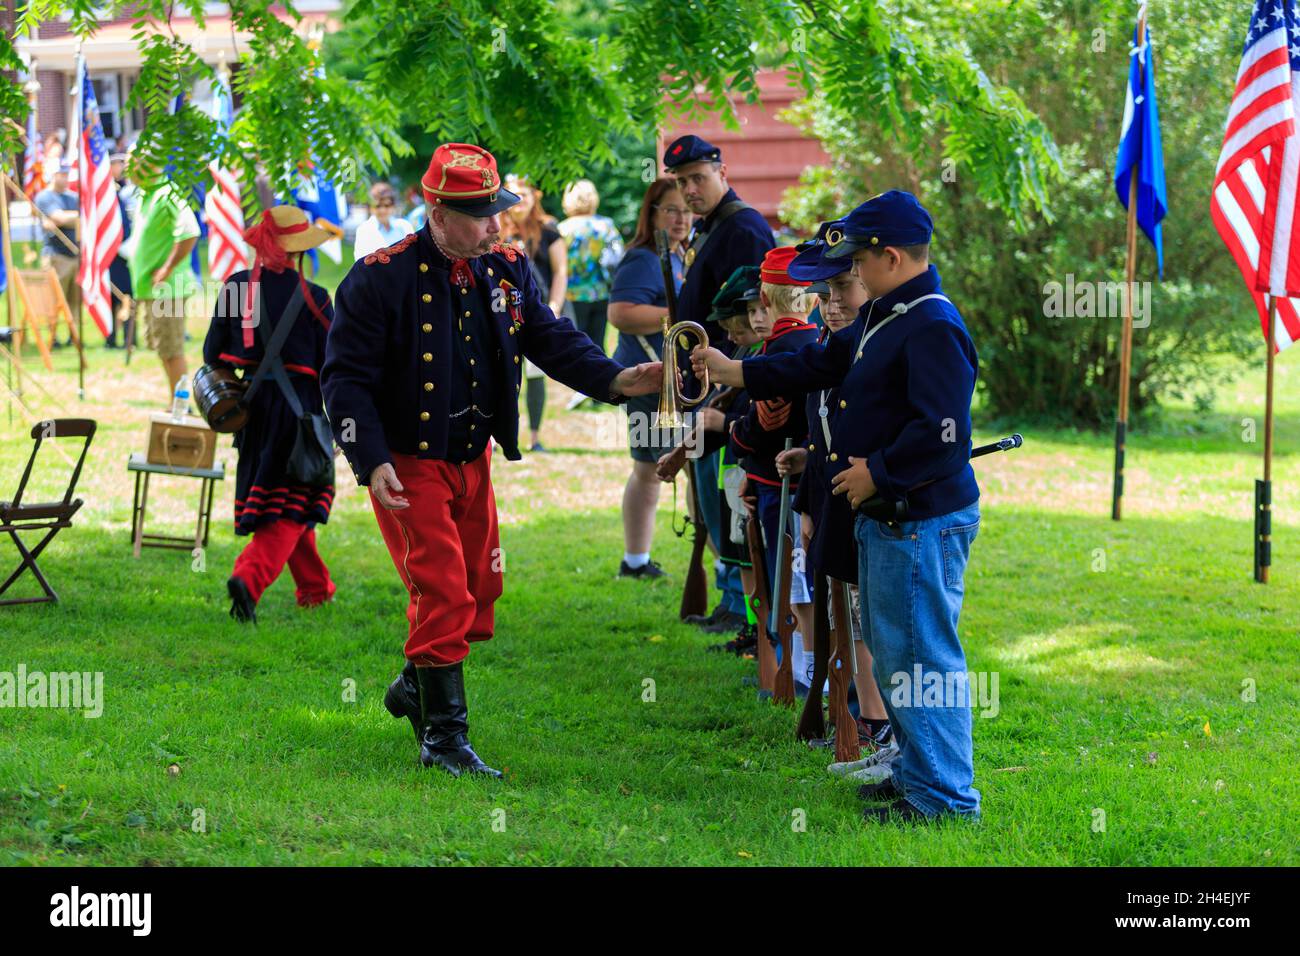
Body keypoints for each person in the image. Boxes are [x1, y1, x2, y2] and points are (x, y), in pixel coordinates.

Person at [320, 142, 662, 778]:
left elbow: (550, 339)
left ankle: (411, 687)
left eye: (496, 210)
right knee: (445, 589)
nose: (495, 225)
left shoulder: (506, 266)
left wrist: (616, 381)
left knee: (479, 592)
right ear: (437, 212)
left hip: (472, 456)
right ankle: (444, 741)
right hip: (406, 461)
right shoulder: (377, 277)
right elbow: (343, 380)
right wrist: (368, 459)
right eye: (479, 214)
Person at [692, 190, 982, 825]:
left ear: (890, 256)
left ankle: (945, 799)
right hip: (890, 517)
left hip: (917, 516)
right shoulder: (886, 313)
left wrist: (874, 472)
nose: (849, 273)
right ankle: (915, 771)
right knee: (894, 643)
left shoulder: (931, 323)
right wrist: (737, 373)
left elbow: (944, 433)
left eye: (858, 259)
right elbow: (822, 361)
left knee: (922, 655)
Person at [778, 220, 894, 756]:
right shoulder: (829, 346)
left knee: (863, 623)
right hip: (828, 502)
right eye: (822, 296)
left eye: (842, 291)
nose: (831, 305)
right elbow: (819, 433)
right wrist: (806, 494)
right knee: (837, 618)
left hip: (868, 504)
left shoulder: (869, 351)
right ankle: (851, 711)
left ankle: (873, 721)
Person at [202, 207, 339, 622]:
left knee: (288, 498)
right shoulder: (316, 297)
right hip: (300, 413)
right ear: (298, 250)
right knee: (294, 503)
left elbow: (212, 354)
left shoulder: (235, 287)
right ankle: (249, 577)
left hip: (252, 411)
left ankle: (316, 589)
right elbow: (333, 362)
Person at [663, 135, 774, 638]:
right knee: (710, 492)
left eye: (698, 179)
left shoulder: (744, 228)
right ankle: (735, 600)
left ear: (722, 172)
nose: (689, 190)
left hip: (730, 384)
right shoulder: (712, 228)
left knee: (727, 493)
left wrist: (723, 383)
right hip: (708, 379)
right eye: (682, 182)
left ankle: (740, 604)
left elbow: (750, 316)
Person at [726, 246, 818, 677]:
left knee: (793, 584)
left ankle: (800, 673)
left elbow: (764, 423)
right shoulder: (814, 342)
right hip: (793, 478)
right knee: (796, 580)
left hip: (782, 484)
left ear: (764, 300)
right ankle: (797, 671)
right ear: (813, 299)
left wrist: (734, 437)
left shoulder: (776, 352)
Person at [606, 177, 688, 579]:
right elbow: (620, 313)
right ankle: (634, 561)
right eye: (671, 210)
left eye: (686, 210)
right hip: (651, 379)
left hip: (671, 379)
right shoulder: (643, 258)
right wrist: (680, 313)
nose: (681, 218)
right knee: (648, 470)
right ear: (652, 214)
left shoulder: (676, 255)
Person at [500, 173, 567, 452]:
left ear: (534, 198)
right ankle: (500, 435)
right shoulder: (497, 230)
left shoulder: (549, 230)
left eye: (525, 195)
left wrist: (554, 305)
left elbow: (561, 271)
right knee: (501, 374)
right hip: (501, 314)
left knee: (536, 375)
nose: (519, 202)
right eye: (514, 196)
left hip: (537, 313)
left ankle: (535, 436)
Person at [126, 154, 201, 402]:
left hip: (169, 288)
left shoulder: (169, 193)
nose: (127, 167)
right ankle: (175, 400)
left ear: (147, 164)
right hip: (151, 289)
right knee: (162, 348)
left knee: (172, 350)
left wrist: (167, 268)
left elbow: (190, 232)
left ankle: (180, 404)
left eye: (131, 161)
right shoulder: (146, 194)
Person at [558, 178, 624, 366]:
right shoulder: (607, 225)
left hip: (571, 295)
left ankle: (581, 386)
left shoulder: (562, 229)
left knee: (576, 343)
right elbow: (618, 259)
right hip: (601, 292)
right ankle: (600, 385)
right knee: (598, 343)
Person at [32, 161, 79, 348]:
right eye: (62, 174)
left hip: (75, 254)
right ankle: (52, 339)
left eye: (68, 174)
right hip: (55, 256)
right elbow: (58, 217)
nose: (66, 178)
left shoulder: (73, 197)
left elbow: (66, 219)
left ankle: (73, 338)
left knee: (74, 301)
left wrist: (66, 218)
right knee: (53, 300)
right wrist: (73, 217)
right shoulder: (45, 196)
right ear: (53, 175)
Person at [106, 153, 134, 350]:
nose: (120, 167)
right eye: (116, 164)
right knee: (111, 298)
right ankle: (111, 337)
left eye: (121, 164)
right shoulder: (106, 193)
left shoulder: (127, 190)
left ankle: (129, 338)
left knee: (128, 296)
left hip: (127, 253)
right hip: (111, 254)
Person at [353, 181, 414, 260]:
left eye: (387, 205)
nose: (382, 210)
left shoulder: (404, 226)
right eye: (378, 206)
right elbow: (361, 263)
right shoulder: (363, 230)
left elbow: (413, 255)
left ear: (393, 206)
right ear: (370, 208)